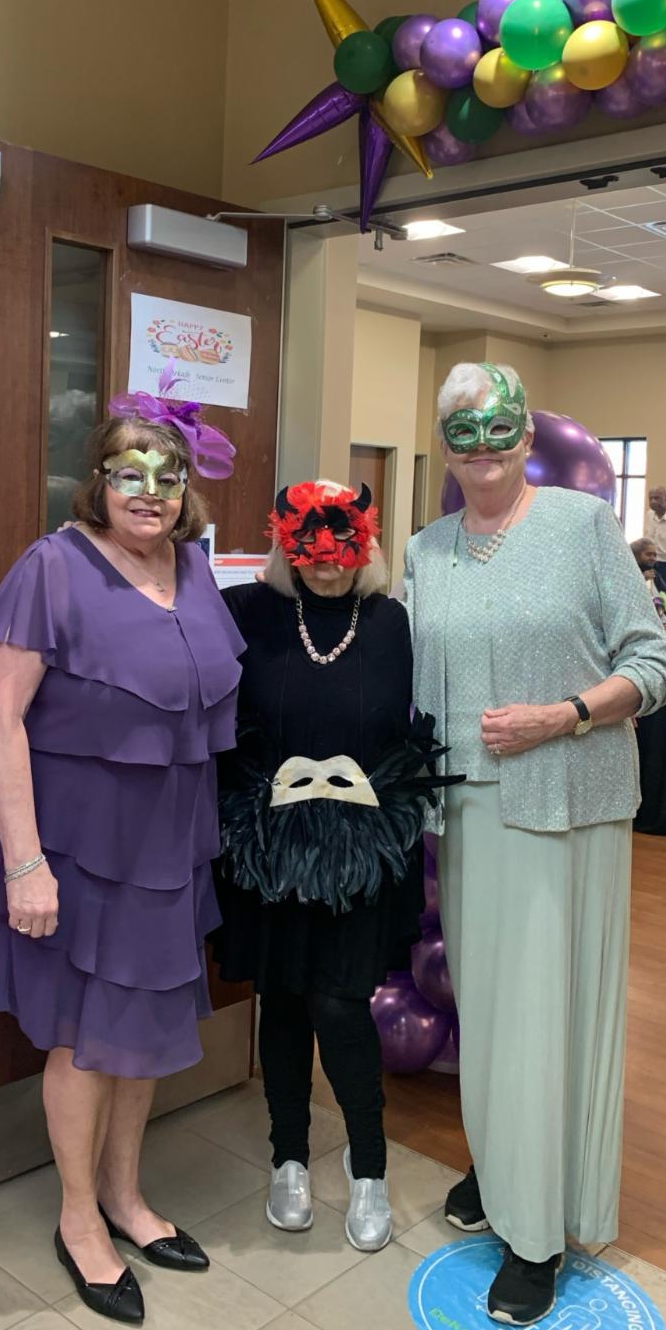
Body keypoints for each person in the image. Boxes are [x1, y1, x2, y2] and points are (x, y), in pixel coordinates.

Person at [0, 368, 244, 1328]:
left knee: (143, 1034)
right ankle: (79, 1217)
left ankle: (128, 1196)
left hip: (173, 851)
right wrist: (25, 863)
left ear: (186, 488)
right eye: (129, 474)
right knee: (87, 1043)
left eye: (167, 476)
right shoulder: (52, 567)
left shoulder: (196, 568)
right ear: (98, 480)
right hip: (80, 852)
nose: (148, 493)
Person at [405, 362, 666, 1327]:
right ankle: (504, 1160)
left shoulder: (583, 527)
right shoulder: (425, 549)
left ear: (526, 439)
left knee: (547, 1012)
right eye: (463, 432)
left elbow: (653, 665)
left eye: (500, 430)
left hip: (567, 804)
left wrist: (563, 715)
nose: (483, 448)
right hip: (469, 818)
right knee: (490, 1009)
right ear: (445, 446)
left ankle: (538, 1233)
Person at [213, 481, 452, 1253]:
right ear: (285, 542)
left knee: (341, 1002)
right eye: (310, 543)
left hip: (359, 851)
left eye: (344, 543)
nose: (326, 560)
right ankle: (288, 1155)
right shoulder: (249, 612)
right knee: (283, 1000)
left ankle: (368, 1163)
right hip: (272, 848)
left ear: (366, 544)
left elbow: (414, 728)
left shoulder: (389, 623)